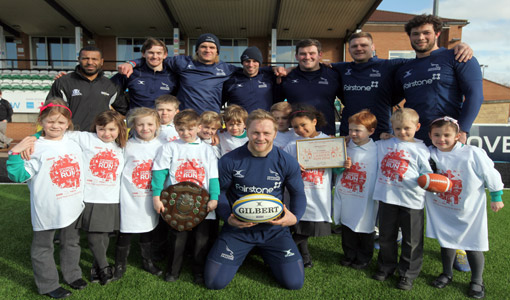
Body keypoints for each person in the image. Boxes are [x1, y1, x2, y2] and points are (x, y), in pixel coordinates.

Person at [204, 109, 307, 290]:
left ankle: (264, 251)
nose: (261, 138)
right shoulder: (230, 160)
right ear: (247, 131)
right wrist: (228, 217)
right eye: (255, 132)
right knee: (214, 282)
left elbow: (298, 193)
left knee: (294, 283)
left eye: (266, 133)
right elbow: (220, 192)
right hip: (238, 229)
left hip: (274, 230)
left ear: (275, 133)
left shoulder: (287, 161)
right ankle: (248, 250)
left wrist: (295, 217)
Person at [6, 99, 86, 299]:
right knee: (43, 246)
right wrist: (16, 152)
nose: (55, 126)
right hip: (47, 208)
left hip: (73, 204)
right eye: (50, 121)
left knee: (71, 242)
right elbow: (18, 176)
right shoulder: (35, 147)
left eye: (60, 122)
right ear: (41, 120)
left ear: (68, 124)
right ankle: (48, 284)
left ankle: (72, 274)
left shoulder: (74, 140)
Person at [332, 32, 474, 141]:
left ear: (373, 47)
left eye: (363, 45)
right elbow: (318, 66)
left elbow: (424, 59)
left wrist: (458, 48)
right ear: (349, 49)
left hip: (381, 135)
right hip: (349, 134)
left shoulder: (389, 65)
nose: (359, 48)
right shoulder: (341, 68)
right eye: (354, 46)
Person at [426, 116, 504, 299]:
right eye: (436, 135)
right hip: (443, 208)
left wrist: (496, 196)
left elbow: (490, 172)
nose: (441, 139)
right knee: (446, 242)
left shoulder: (472, 153)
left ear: (457, 135)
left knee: (473, 244)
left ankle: (477, 280)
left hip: (469, 209)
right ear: (430, 135)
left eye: (446, 135)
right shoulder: (430, 152)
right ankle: (447, 273)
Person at [152, 109, 220, 284]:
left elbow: (213, 176)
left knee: (201, 240)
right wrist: (157, 196)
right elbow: (159, 173)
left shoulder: (208, 150)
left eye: (190, 129)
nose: (185, 133)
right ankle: (173, 271)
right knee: (177, 238)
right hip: (177, 203)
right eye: (181, 129)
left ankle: (198, 271)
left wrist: (214, 197)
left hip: (202, 202)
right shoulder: (169, 147)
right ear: (175, 128)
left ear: (198, 127)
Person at [395, 14, 483, 145]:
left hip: (445, 138)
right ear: (410, 36)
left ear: (437, 34)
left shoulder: (457, 57)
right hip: (413, 139)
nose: (420, 37)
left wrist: (463, 130)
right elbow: (389, 99)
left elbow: (475, 95)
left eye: (426, 33)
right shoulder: (404, 68)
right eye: (415, 34)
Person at [372, 108, 432, 291]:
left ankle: (407, 273)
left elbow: (428, 174)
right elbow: (364, 144)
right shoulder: (383, 144)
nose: (402, 132)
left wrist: (427, 180)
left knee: (411, 240)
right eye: (397, 128)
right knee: (386, 236)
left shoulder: (422, 149)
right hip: (387, 197)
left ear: (417, 126)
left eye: (407, 128)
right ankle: (386, 266)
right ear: (392, 128)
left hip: (412, 200)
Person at [283, 104, 349, 268]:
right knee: (300, 226)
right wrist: (293, 167)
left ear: (314, 121)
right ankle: (304, 258)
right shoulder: (292, 145)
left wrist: (343, 164)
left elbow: (336, 169)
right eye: (296, 127)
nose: (300, 129)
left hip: (319, 193)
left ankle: (283, 248)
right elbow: (283, 167)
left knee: (310, 227)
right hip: (297, 193)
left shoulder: (329, 141)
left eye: (303, 125)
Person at [119, 33, 238, 114]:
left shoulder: (226, 69)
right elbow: (155, 58)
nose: (207, 50)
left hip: (210, 120)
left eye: (212, 47)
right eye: (203, 47)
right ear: (197, 49)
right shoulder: (182, 62)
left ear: (217, 51)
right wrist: (132, 63)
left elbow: (249, 70)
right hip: (185, 119)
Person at [114, 107, 164, 280]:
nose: (145, 128)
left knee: (148, 230)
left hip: (150, 196)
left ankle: (147, 261)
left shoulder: (162, 146)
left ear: (157, 125)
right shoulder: (126, 145)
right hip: (129, 196)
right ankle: (119, 265)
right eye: (140, 124)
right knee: (125, 231)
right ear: (133, 125)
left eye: (150, 124)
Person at [334, 110, 378, 270]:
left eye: (357, 130)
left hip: (366, 196)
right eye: (350, 129)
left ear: (371, 131)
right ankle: (349, 254)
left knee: (366, 225)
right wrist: (340, 166)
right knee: (347, 225)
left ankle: (364, 256)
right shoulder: (344, 145)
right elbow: (336, 171)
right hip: (347, 193)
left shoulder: (378, 149)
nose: (352, 133)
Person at [47, 46, 128, 131]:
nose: (90, 62)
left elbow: (125, 110)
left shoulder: (110, 85)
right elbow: (50, 111)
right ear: (79, 59)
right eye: (85, 58)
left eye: (94, 59)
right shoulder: (63, 82)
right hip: (71, 136)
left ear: (101, 61)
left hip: (100, 137)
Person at [278, 39, 341, 136]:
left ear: (320, 55)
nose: (307, 57)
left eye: (312, 53)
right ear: (296, 56)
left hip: (327, 136)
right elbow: (276, 106)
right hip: (295, 136)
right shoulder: (286, 77)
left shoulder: (333, 75)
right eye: (303, 54)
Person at [111, 38, 177, 110]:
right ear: (143, 54)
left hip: (162, 120)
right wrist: (126, 109)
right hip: (136, 119)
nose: (155, 56)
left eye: (159, 53)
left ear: (165, 55)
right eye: (150, 52)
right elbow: (110, 89)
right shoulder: (131, 72)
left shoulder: (172, 76)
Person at [222, 46, 278, 112]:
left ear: (259, 63)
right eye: (247, 61)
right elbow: (219, 102)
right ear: (242, 63)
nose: (251, 65)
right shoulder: (231, 81)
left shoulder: (269, 78)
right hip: (239, 122)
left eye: (255, 61)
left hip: (262, 121)